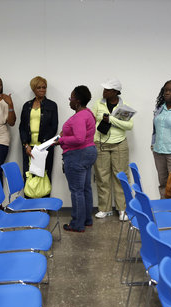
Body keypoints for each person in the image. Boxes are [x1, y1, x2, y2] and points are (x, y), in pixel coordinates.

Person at [55, 85, 97, 233]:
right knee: (85, 188)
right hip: (88, 152)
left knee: (77, 191)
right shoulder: (88, 113)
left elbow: (79, 138)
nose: (69, 100)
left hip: (77, 154)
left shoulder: (79, 116)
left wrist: (62, 140)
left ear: (77, 101)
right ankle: (87, 220)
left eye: (71, 98)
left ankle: (77, 224)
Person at [92, 78, 134, 221]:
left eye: (107, 90)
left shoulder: (125, 107)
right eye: (104, 89)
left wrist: (110, 120)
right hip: (101, 144)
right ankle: (105, 209)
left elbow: (129, 126)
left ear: (116, 92)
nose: (104, 92)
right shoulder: (98, 104)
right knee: (102, 177)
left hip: (119, 144)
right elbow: (92, 121)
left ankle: (123, 209)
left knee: (120, 177)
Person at [19, 76, 58, 191]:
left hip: (45, 147)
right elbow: (22, 127)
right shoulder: (27, 105)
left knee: (45, 175)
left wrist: (43, 146)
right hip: (28, 147)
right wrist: (26, 145)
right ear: (33, 89)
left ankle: (44, 206)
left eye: (44, 87)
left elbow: (54, 126)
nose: (42, 90)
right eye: (39, 87)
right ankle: (29, 204)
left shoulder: (52, 105)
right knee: (29, 174)